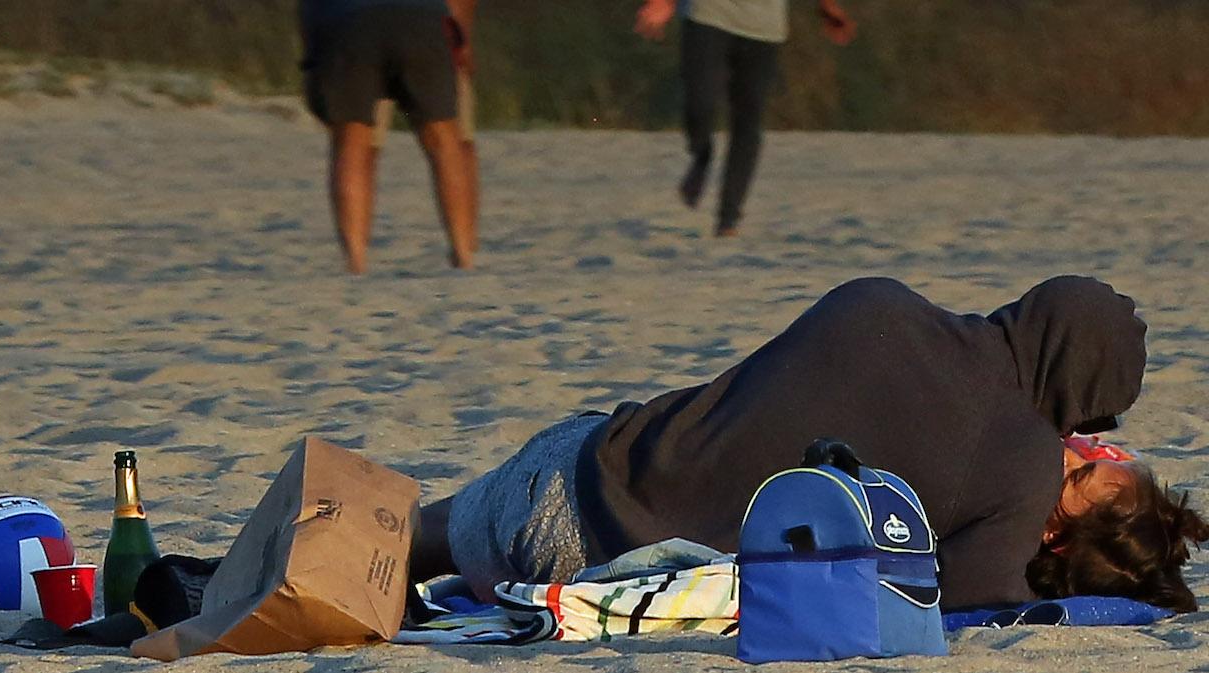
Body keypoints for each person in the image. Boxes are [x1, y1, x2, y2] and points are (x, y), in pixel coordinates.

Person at [409, 276, 1209, 612]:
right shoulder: (1020, 459)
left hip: (554, 479)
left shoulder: (880, 302)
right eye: (1093, 426)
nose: (1082, 442)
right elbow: (977, 598)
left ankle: (408, 536)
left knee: (431, 528)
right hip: (601, 575)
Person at [634, 0, 856, 237]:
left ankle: (728, 219)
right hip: (708, 14)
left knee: (748, 120)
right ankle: (701, 153)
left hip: (764, 29)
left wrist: (827, 7)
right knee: (700, 102)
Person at [298, 0, 476, 274]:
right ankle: (463, 253)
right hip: (422, 18)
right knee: (443, 140)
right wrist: (460, 36)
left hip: (350, 22)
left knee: (352, 141)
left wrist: (313, 57)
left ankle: (356, 261)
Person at [369, 0, 480, 254]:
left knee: (362, 142)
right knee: (455, 141)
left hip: (386, 31)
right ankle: (465, 246)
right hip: (411, 33)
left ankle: (466, 244)